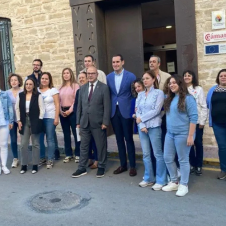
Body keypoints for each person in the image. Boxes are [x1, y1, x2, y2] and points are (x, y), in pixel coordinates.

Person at [72, 66, 111, 178]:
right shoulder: (82, 88)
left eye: (92, 73)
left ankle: (102, 166)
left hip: (98, 122)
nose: (90, 75)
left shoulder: (104, 88)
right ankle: (81, 168)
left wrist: (105, 122)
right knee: (83, 146)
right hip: (84, 122)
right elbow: (79, 106)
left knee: (101, 146)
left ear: (97, 74)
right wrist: (78, 121)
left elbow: (107, 106)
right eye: (88, 73)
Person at [162, 75, 198, 197]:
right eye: (169, 83)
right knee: (167, 157)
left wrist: (190, 136)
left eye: (174, 83)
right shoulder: (169, 98)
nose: (171, 85)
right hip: (170, 134)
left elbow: (194, 118)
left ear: (180, 84)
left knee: (183, 160)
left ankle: (184, 184)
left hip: (183, 134)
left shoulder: (189, 99)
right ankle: (174, 181)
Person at [136, 71, 167, 190]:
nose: (145, 81)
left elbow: (156, 110)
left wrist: (141, 119)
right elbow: (138, 109)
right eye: (143, 79)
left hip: (154, 126)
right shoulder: (140, 95)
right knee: (146, 154)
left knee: (157, 153)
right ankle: (149, 178)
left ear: (154, 79)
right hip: (142, 127)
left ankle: (161, 179)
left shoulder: (159, 93)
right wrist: (142, 124)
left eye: (147, 78)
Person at [107, 54, 137, 176]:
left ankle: (133, 166)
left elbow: (135, 94)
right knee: (119, 139)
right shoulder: (108, 77)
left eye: (117, 62)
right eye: (113, 62)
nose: (115, 64)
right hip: (114, 111)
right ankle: (123, 165)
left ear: (122, 62)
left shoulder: (131, 76)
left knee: (128, 138)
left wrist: (134, 110)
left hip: (126, 111)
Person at [16, 78, 45, 174]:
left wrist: (39, 120)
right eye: (26, 84)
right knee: (23, 144)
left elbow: (42, 109)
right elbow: (17, 108)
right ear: (24, 85)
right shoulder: (20, 95)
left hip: (35, 120)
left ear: (34, 86)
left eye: (30, 84)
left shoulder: (38, 95)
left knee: (35, 143)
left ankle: (35, 164)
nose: (28, 86)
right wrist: (18, 120)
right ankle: (24, 165)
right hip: (24, 120)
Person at [183, 70, 207, 176]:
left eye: (189, 75)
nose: (187, 77)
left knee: (198, 143)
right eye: (185, 76)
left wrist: (202, 121)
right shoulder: (182, 90)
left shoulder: (198, 89)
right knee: (189, 144)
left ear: (193, 77)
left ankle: (198, 165)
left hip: (197, 122)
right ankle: (192, 164)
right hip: (186, 123)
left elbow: (203, 106)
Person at [75, 72, 98, 167]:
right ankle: (89, 158)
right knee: (85, 141)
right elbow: (77, 107)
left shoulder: (93, 89)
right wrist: (78, 121)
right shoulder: (79, 91)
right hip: (83, 120)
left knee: (94, 141)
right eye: (79, 78)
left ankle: (97, 160)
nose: (81, 79)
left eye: (83, 77)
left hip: (93, 120)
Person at [207, 69, 226, 180]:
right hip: (217, 124)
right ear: (218, 78)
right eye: (221, 76)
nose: (223, 77)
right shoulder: (213, 90)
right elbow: (208, 104)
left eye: (225, 75)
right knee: (222, 147)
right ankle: (224, 169)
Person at [38, 72, 60, 169]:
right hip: (39, 118)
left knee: (50, 139)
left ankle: (50, 158)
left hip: (50, 117)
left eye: (46, 79)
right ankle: (42, 158)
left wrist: (56, 117)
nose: (44, 80)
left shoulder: (53, 90)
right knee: (40, 139)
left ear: (49, 80)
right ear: (40, 79)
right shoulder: (37, 90)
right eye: (43, 78)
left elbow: (57, 104)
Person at [59, 68, 80, 163]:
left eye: (67, 73)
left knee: (76, 133)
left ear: (71, 74)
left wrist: (70, 111)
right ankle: (68, 154)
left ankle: (78, 154)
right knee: (66, 134)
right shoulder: (61, 87)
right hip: (62, 112)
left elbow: (76, 100)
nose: (66, 75)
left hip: (72, 112)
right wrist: (60, 110)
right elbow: (58, 100)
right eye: (64, 73)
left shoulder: (75, 86)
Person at [7, 73, 23, 168]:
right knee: (13, 139)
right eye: (12, 80)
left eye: (15, 80)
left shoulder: (23, 91)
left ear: (19, 81)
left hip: (22, 118)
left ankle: (24, 157)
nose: (13, 82)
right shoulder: (7, 93)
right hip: (12, 119)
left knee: (24, 138)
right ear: (10, 82)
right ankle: (15, 158)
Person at [0, 89, 13, 174]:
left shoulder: (4, 94)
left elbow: (10, 107)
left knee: (3, 144)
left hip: (4, 121)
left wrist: (11, 121)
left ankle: (4, 165)